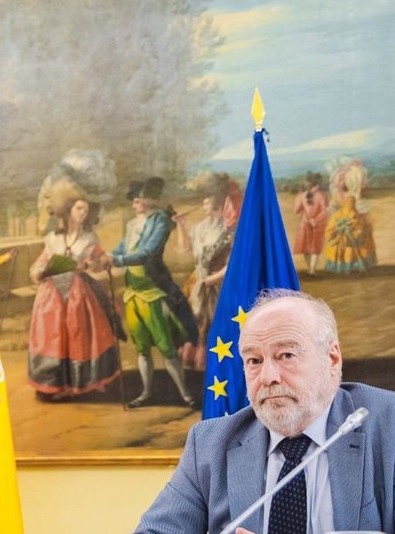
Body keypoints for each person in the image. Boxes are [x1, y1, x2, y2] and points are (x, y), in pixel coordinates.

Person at [119, 289, 395, 534]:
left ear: (332, 359)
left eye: (286, 356)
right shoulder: (211, 442)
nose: (268, 377)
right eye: (254, 361)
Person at [110, 177, 199, 408]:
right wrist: (105, 258)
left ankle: (185, 394)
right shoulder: (132, 224)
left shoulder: (160, 221)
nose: (133, 204)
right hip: (133, 293)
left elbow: (147, 253)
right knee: (141, 349)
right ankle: (146, 393)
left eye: (137, 200)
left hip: (154, 291)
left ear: (149, 200)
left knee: (166, 346)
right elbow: (121, 249)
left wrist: (117, 260)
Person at [27, 198, 123, 400]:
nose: (83, 213)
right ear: (68, 211)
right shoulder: (52, 238)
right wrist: (38, 271)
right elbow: (42, 261)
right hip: (52, 293)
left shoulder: (89, 238)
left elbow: (98, 262)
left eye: (86, 210)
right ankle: (54, 384)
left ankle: (83, 382)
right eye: (79, 208)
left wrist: (100, 262)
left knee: (79, 334)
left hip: (77, 292)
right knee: (53, 336)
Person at [176, 175, 238, 372]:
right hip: (197, 281)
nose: (203, 206)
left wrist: (213, 279)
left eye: (207, 203)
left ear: (219, 206)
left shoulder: (229, 230)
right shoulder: (200, 228)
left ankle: (215, 366)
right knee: (194, 320)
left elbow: (234, 264)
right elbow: (185, 248)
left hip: (217, 283)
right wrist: (181, 225)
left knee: (213, 322)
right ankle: (194, 361)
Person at [323, 160, 377, 274]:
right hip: (347, 219)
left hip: (347, 219)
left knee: (351, 243)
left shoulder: (345, 196)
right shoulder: (351, 197)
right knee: (353, 243)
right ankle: (353, 265)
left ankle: (348, 265)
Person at [292, 171, 328, 276]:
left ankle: (310, 269)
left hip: (305, 224)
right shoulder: (322, 195)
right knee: (315, 248)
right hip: (317, 225)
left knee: (306, 248)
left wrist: (298, 198)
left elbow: (296, 210)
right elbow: (325, 211)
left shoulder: (302, 196)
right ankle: (312, 270)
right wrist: (315, 220)